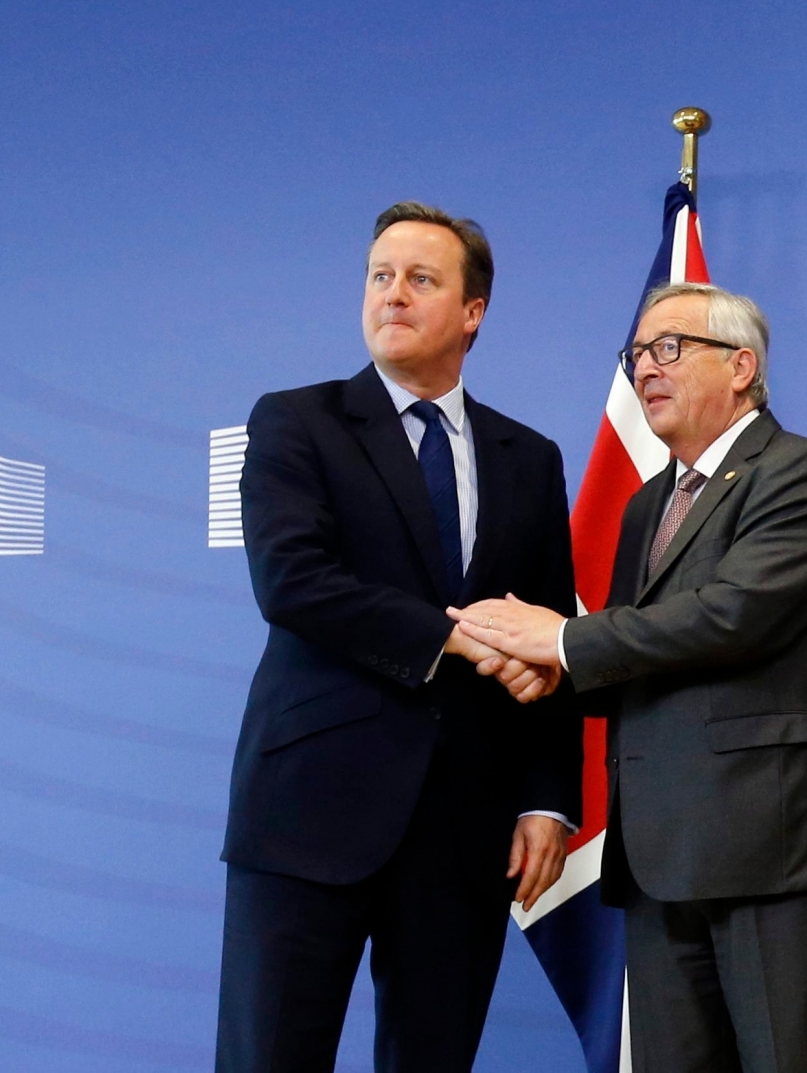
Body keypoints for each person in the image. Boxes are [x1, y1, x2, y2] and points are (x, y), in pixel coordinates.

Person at [451, 282, 807, 1073]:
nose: (646, 370)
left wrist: (558, 642)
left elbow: (733, 617)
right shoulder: (648, 504)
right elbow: (644, 653)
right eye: (635, 356)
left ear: (741, 366)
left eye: (669, 348)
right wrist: (551, 675)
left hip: (780, 852)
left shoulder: (797, 473)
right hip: (662, 856)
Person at [216, 202, 581, 1073]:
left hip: (464, 824)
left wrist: (544, 799)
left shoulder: (529, 458)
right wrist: (458, 640)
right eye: (381, 276)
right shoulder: (295, 421)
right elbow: (293, 584)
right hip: (308, 813)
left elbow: (551, 637)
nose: (394, 294)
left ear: (472, 311)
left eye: (421, 279)